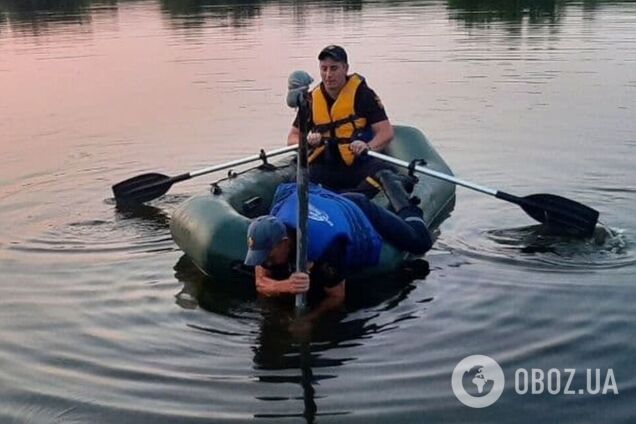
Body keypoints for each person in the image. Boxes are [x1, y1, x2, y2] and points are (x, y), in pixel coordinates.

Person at [243, 181, 432, 323]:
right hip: (326, 203)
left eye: (268, 256)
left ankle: (398, 192)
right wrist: (285, 286)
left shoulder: (326, 246)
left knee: (419, 242)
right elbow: (260, 281)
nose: (265, 262)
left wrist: (308, 320)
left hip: (357, 209)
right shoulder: (267, 231)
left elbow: (337, 296)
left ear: (284, 243)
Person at [286, 45, 397, 196]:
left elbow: (386, 132)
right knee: (296, 180)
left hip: (357, 163)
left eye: (334, 68)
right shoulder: (312, 100)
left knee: (386, 174)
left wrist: (368, 146)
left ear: (345, 68)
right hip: (325, 164)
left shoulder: (363, 95)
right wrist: (306, 141)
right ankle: (336, 199)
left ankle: (352, 200)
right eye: (324, 69)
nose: (328, 75)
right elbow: (292, 138)